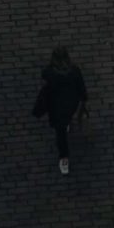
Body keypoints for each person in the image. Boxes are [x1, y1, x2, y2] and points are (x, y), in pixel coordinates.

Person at [31, 48, 89, 177]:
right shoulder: (75, 71)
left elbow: (44, 76)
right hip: (71, 105)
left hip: (56, 108)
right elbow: (82, 89)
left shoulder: (50, 73)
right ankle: (68, 124)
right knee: (67, 120)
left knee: (60, 134)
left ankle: (64, 159)